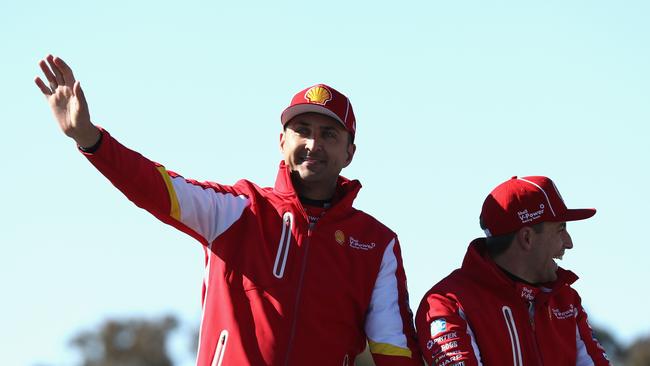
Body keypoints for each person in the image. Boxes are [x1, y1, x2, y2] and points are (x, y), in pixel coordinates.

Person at [35, 55, 421, 366]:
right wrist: (89, 139)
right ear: (281, 140)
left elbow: (394, 351)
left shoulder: (376, 244)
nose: (313, 143)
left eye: (329, 135)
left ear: (349, 153)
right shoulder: (239, 208)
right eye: (302, 129)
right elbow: (155, 187)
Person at [415, 176, 611, 366]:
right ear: (527, 238)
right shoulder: (446, 304)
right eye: (561, 229)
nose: (569, 243)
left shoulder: (565, 300)